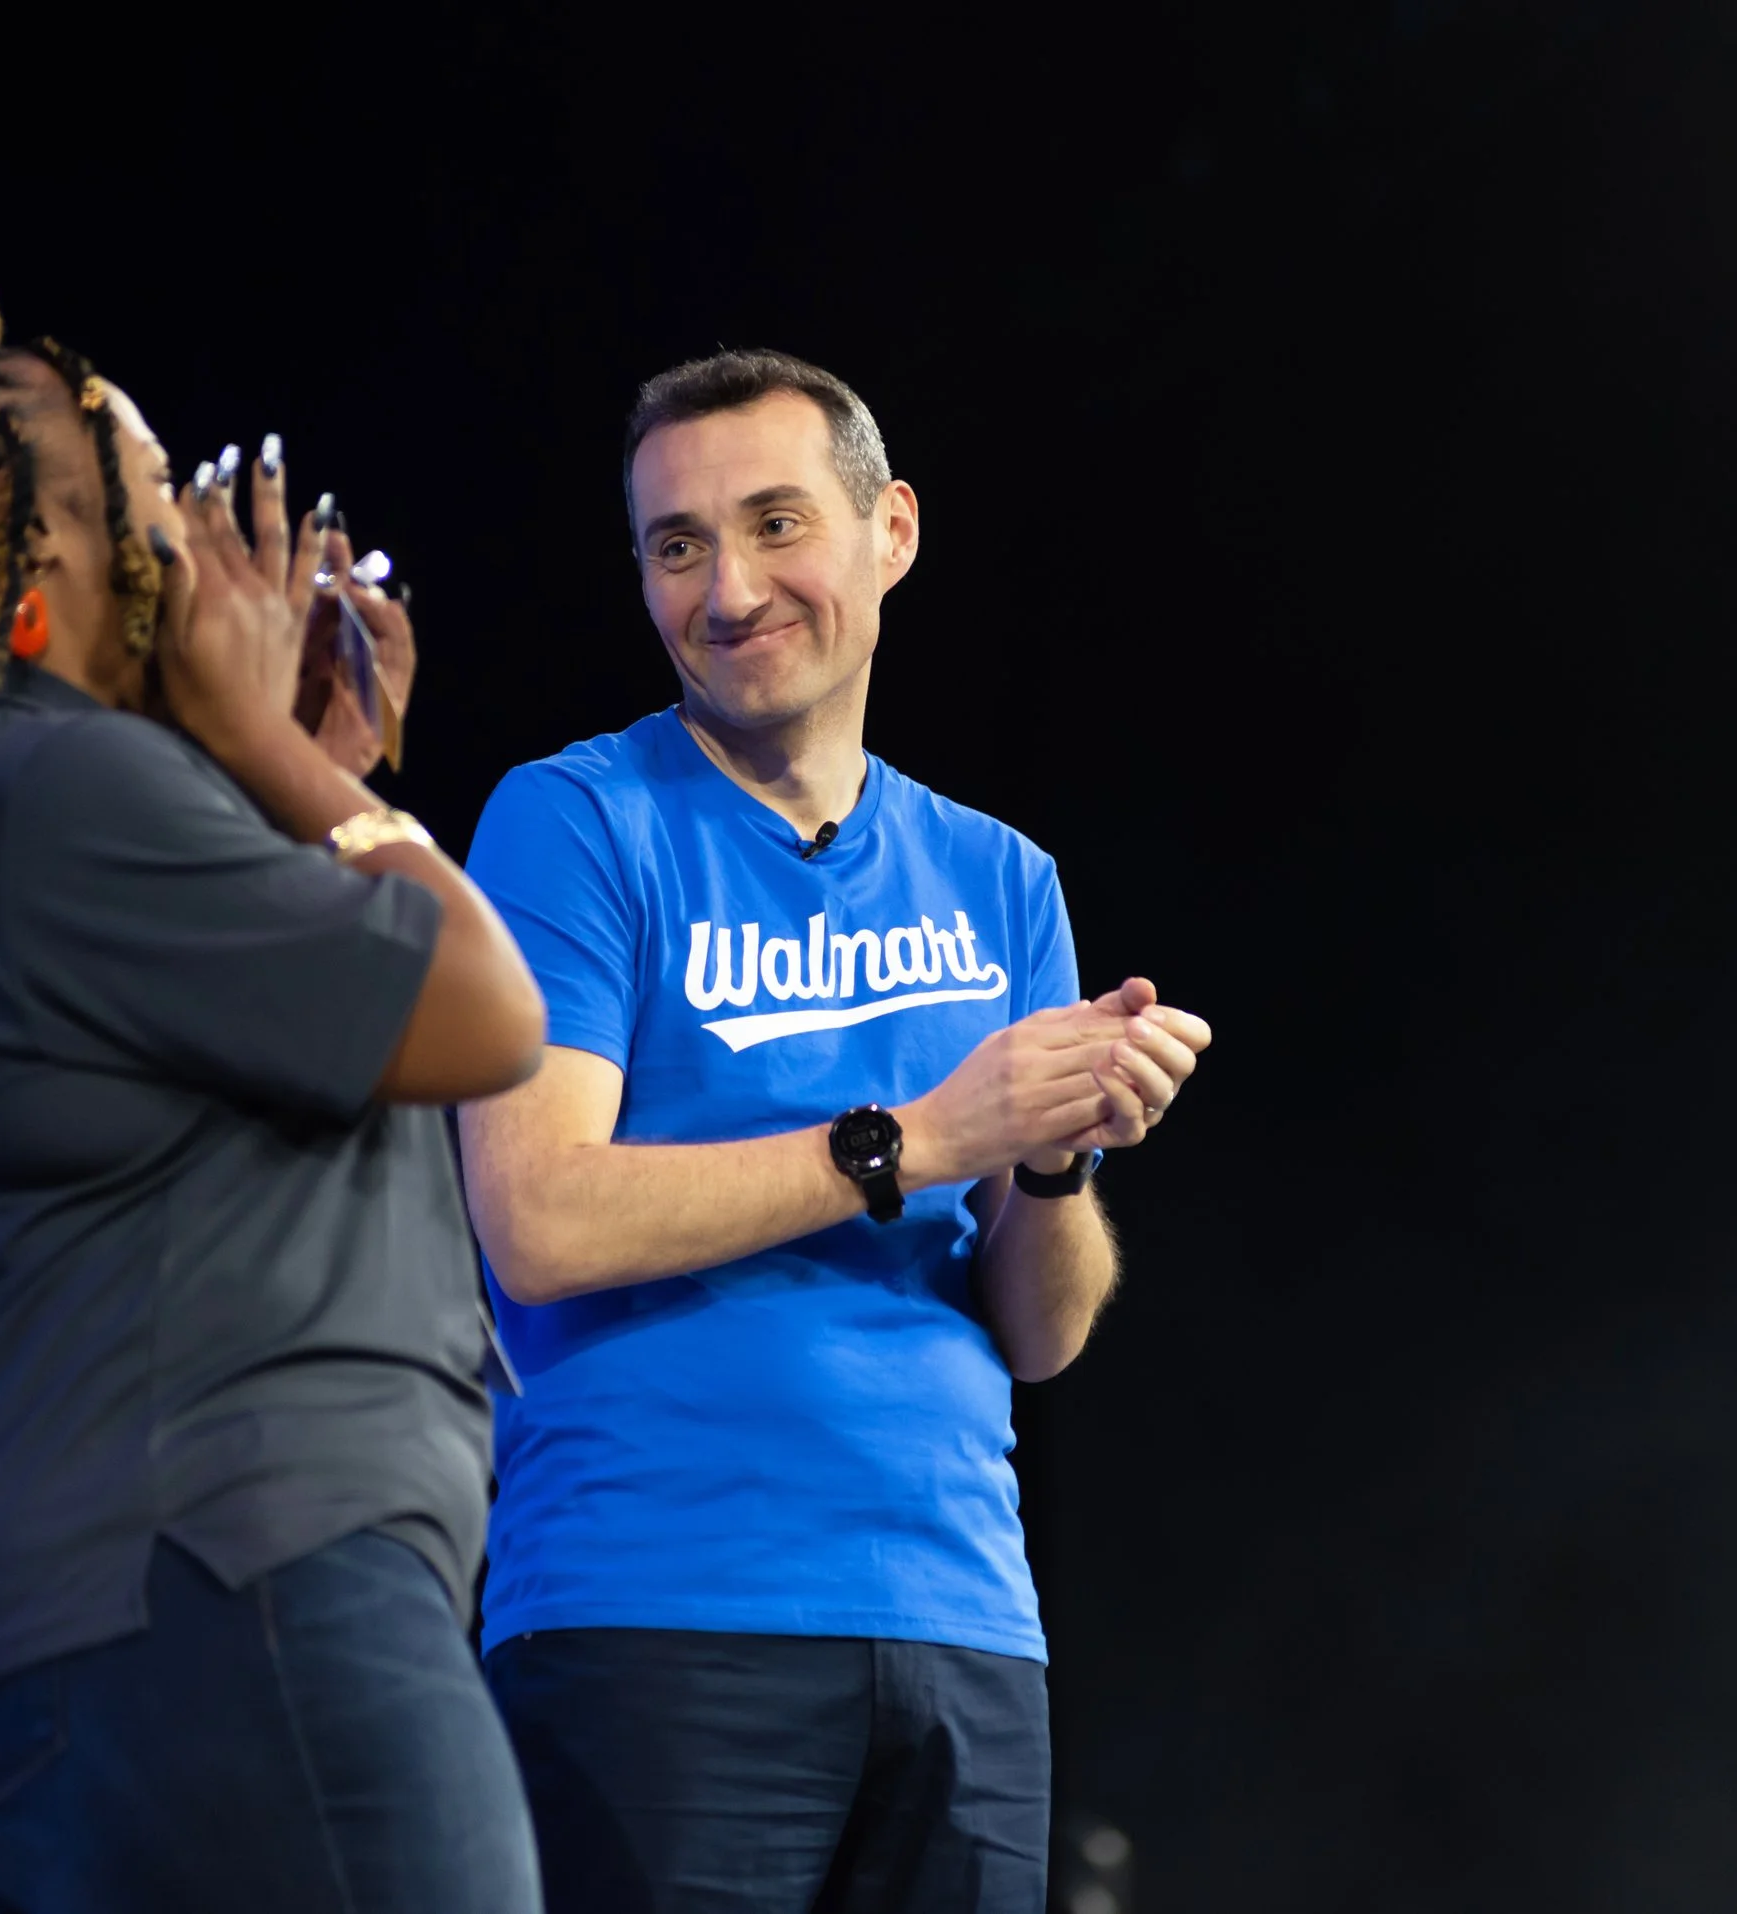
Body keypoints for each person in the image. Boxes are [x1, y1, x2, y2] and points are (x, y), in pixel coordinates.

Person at [0, 235, 547, 1913]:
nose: (194, 539)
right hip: (221, 1577)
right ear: (44, 547)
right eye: (152, 491)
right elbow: (487, 1011)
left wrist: (306, 770)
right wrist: (278, 757)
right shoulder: (67, 789)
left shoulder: (33, 797)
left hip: (91, 1612)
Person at [457, 349, 1215, 1914]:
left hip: (962, 1623)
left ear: (893, 531)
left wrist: (1054, 1154)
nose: (727, 590)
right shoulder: (576, 821)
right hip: (652, 1611)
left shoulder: (1002, 877)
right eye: (676, 545)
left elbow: (1043, 1331)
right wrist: (917, 1140)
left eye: (774, 523)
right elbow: (535, 1217)